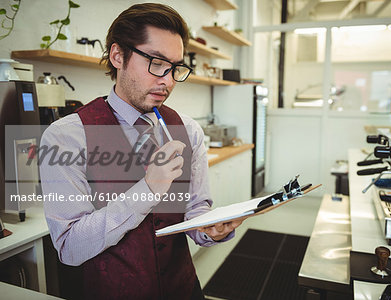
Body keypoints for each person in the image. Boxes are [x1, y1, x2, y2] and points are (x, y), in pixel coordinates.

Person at [39, 3, 242, 299]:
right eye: (156, 63)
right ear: (118, 55)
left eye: (175, 68)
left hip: (183, 290)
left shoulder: (188, 130)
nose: (168, 80)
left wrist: (208, 228)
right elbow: (69, 247)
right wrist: (147, 189)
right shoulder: (65, 137)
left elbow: (195, 209)